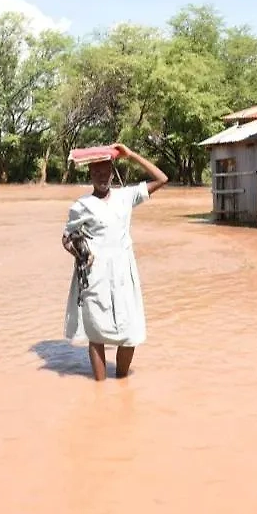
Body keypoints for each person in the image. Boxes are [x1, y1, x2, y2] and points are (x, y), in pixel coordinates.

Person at [61, 143, 169, 381]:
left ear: (112, 172)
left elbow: (162, 178)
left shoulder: (126, 197)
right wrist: (81, 254)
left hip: (124, 273)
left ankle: (122, 383)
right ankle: (100, 394)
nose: (101, 176)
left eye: (105, 171)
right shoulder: (81, 207)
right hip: (95, 275)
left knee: (130, 333)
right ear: (90, 175)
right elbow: (66, 239)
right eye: (96, 172)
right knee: (97, 333)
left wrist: (131, 155)